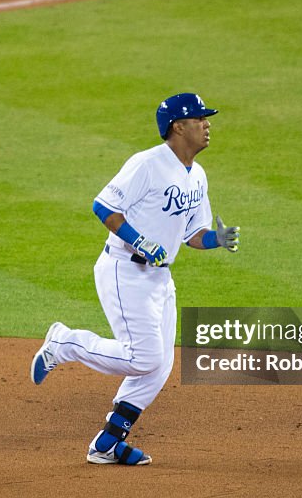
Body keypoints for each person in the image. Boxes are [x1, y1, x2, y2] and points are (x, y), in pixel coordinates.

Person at [30, 92, 240, 465]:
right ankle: (65, 343)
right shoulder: (147, 164)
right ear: (178, 127)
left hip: (160, 279)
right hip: (124, 270)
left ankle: (108, 443)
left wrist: (216, 240)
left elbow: (194, 234)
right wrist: (140, 240)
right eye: (200, 119)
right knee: (143, 359)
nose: (208, 125)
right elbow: (104, 206)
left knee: (160, 365)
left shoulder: (198, 175)